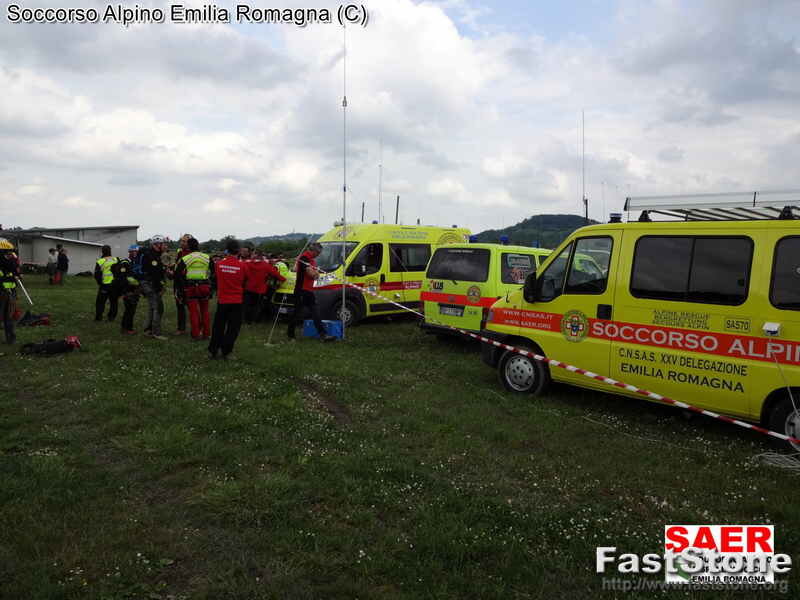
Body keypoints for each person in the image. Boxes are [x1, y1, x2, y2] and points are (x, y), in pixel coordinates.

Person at [208, 239, 248, 359]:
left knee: (218, 327)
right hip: (236, 301)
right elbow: (245, 281)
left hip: (222, 300)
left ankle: (213, 350)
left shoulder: (219, 264)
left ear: (227, 250)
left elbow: (215, 278)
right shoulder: (243, 265)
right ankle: (227, 352)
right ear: (238, 250)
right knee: (233, 328)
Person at [287, 242, 335, 342]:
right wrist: (315, 273)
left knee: (315, 312)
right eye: (318, 252)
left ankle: (323, 335)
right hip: (301, 290)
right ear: (313, 250)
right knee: (296, 314)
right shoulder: (305, 258)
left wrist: (315, 273)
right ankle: (290, 335)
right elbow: (311, 274)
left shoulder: (311, 260)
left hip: (308, 290)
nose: (319, 255)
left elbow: (313, 273)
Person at [175, 237, 212, 341]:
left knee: (193, 312)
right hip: (204, 286)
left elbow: (177, 274)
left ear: (189, 246)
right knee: (205, 311)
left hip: (191, 287)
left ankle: (195, 335)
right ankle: (207, 334)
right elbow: (213, 272)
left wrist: (182, 287)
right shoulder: (207, 257)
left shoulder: (186, 258)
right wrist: (211, 285)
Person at [140, 235, 167, 340]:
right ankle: (156, 333)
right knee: (158, 308)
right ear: (157, 244)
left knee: (152, 308)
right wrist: (159, 288)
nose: (164, 246)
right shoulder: (152, 256)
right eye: (162, 244)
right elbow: (155, 274)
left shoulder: (156, 254)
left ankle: (148, 330)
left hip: (150, 283)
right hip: (151, 284)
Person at [113, 245, 141, 335]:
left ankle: (127, 328)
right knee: (129, 310)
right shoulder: (125, 263)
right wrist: (125, 292)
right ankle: (127, 329)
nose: (135, 253)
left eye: (136, 252)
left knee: (131, 310)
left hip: (134, 290)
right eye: (133, 251)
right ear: (130, 252)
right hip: (128, 291)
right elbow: (123, 278)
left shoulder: (134, 263)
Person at [0, 238, 20, 344]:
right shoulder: (9, 261)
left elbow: (15, 272)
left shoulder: (8, 261)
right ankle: (11, 339)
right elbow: (15, 270)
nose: (10, 253)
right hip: (7, 292)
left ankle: (11, 338)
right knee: (8, 317)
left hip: (7, 292)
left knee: (8, 317)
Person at [172, 233, 192, 335]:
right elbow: (177, 266)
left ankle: (197, 327)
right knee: (180, 306)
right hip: (177, 283)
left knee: (191, 307)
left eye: (184, 241)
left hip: (188, 284)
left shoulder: (193, 254)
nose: (182, 243)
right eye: (182, 241)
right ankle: (181, 328)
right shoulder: (179, 253)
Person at [94, 245, 119, 321]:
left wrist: (100, 283)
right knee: (114, 302)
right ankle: (111, 317)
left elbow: (97, 274)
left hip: (104, 285)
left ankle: (99, 317)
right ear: (110, 251)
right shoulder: (116, 259)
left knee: (100, 302)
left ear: (102, 251)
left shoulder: (100, 261)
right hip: (115, 285)